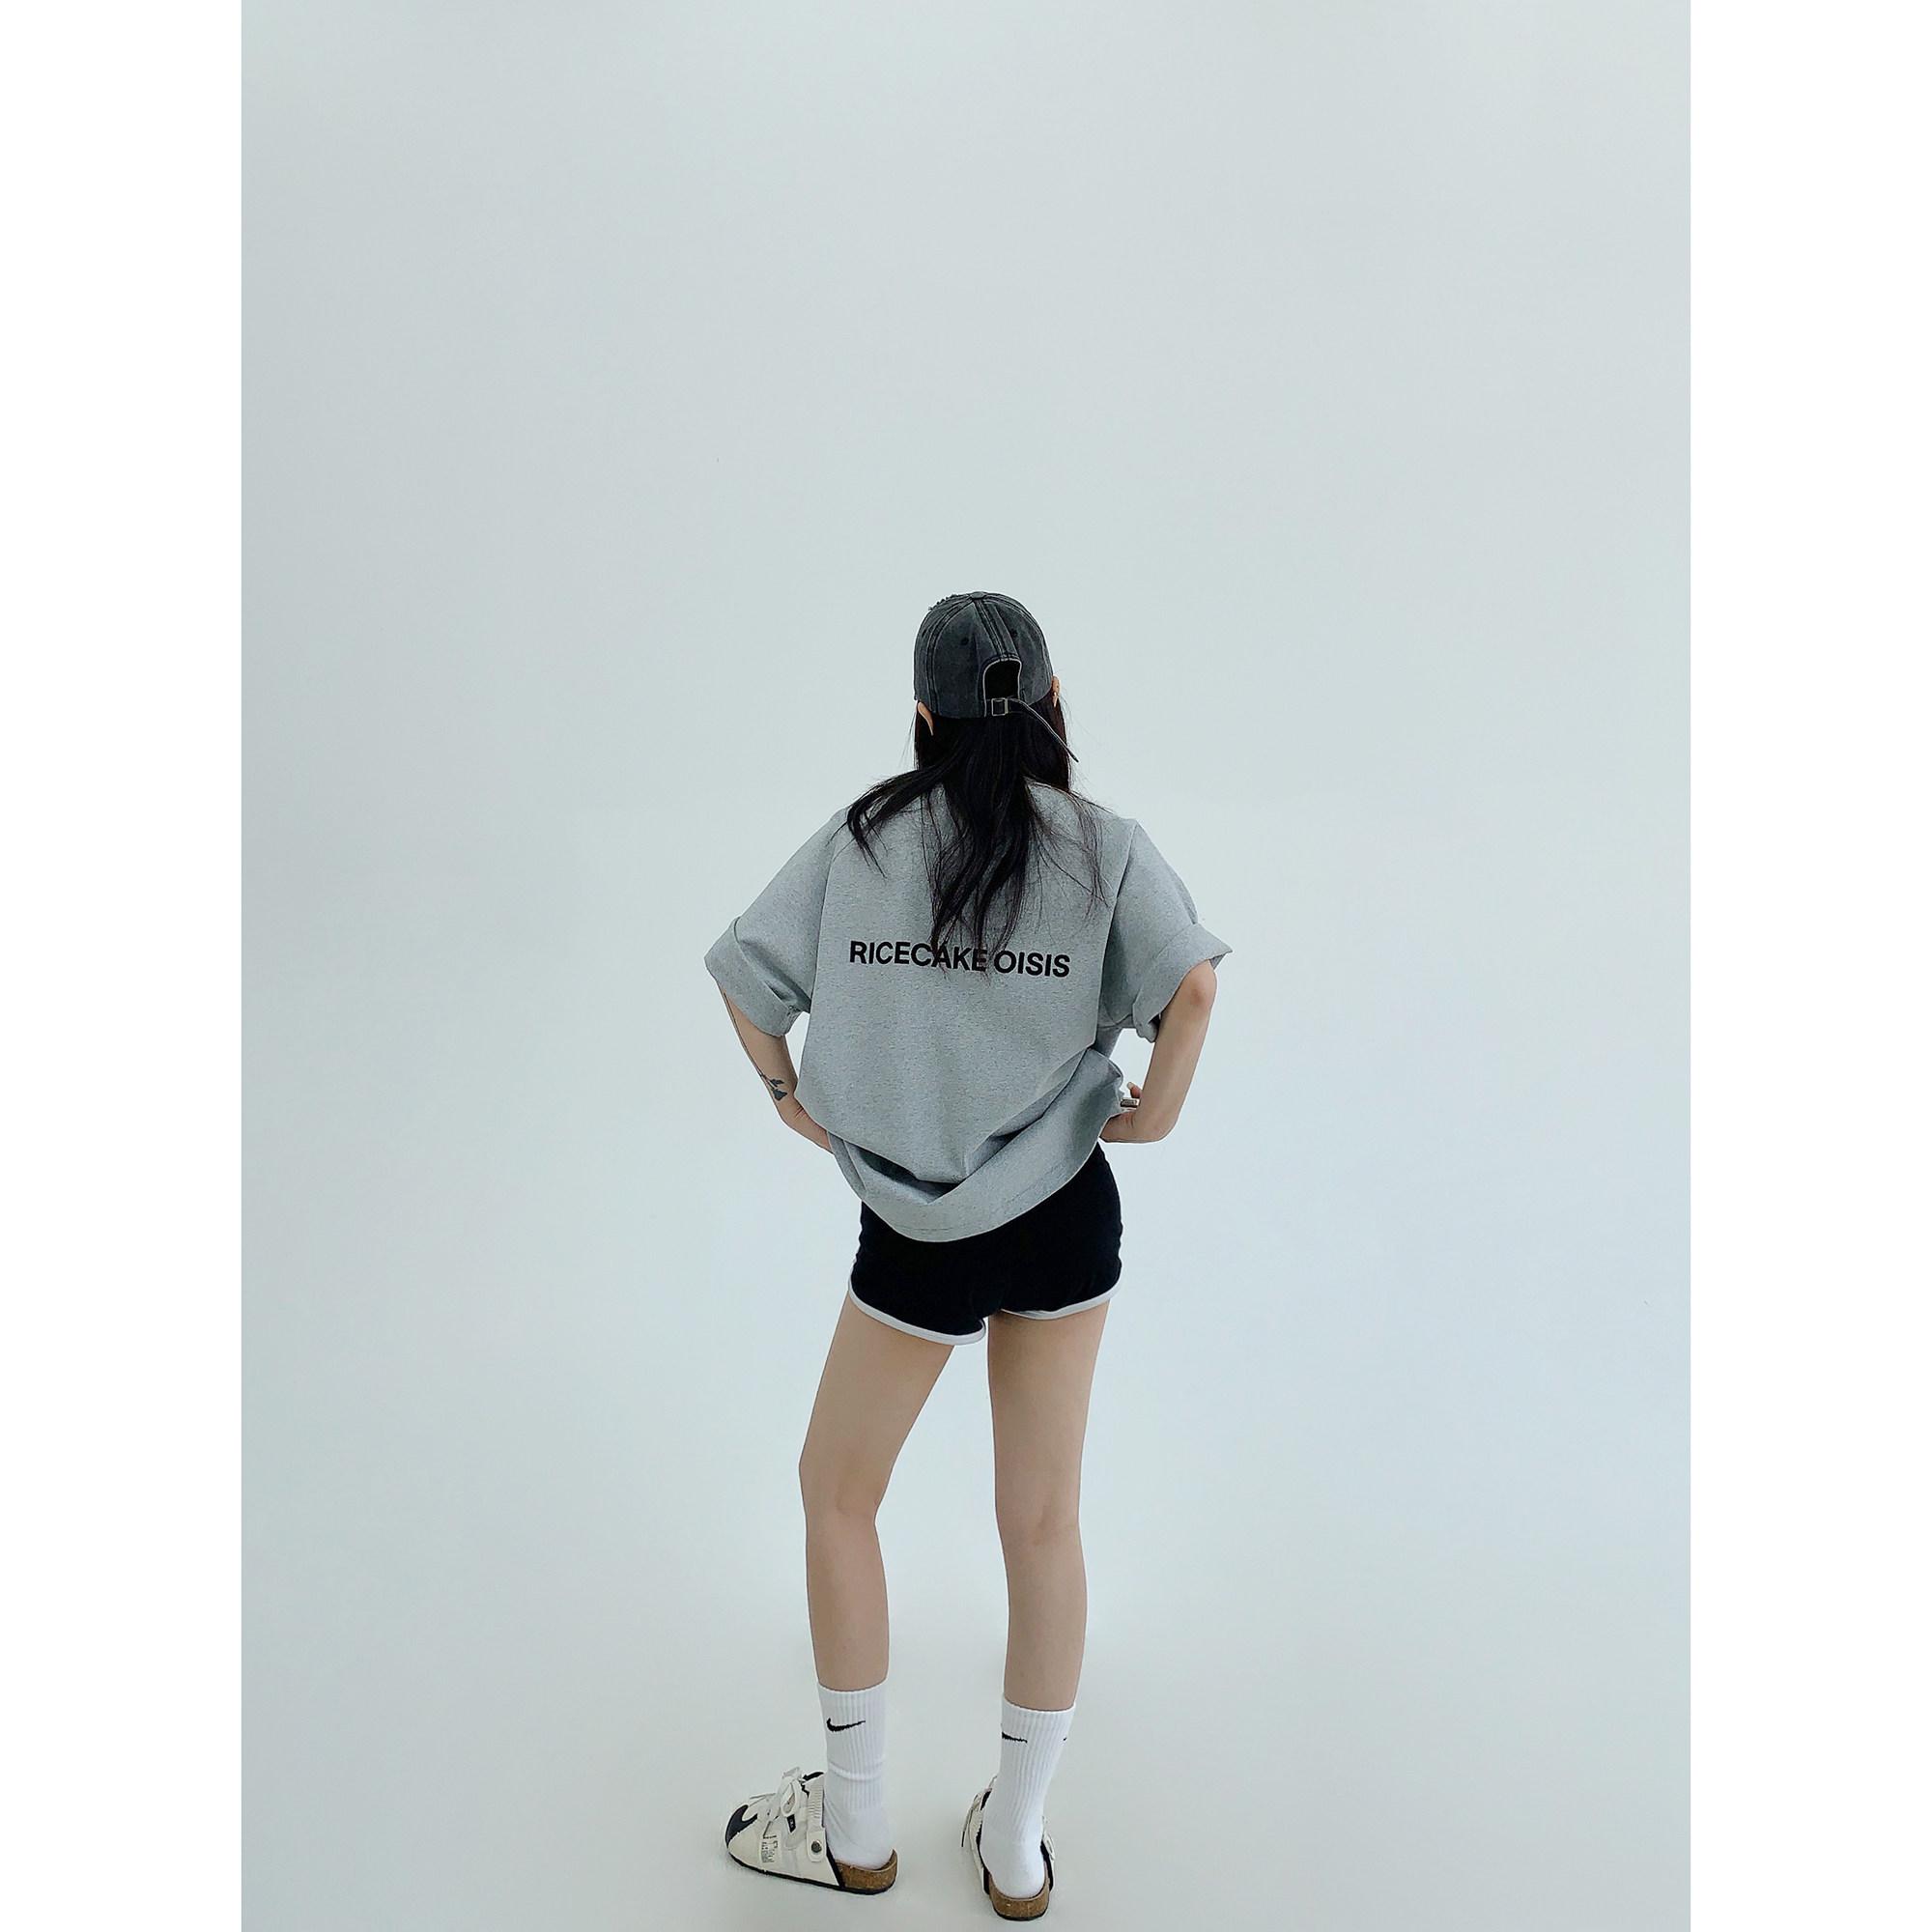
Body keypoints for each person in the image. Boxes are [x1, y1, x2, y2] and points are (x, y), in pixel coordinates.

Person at [705, 592, 1228, 1919]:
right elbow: (1194, 986)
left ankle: (856, 1831)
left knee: (837, 1494)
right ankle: (1017, 1848)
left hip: (917, 1228)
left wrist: (787, 1096)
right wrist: (1154, 1114)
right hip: (1063, 1211)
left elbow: (745, 977)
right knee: (1043, 1520)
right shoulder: (1106, 849)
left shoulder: (865, 839)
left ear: (923, 718)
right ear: (1051, 705)